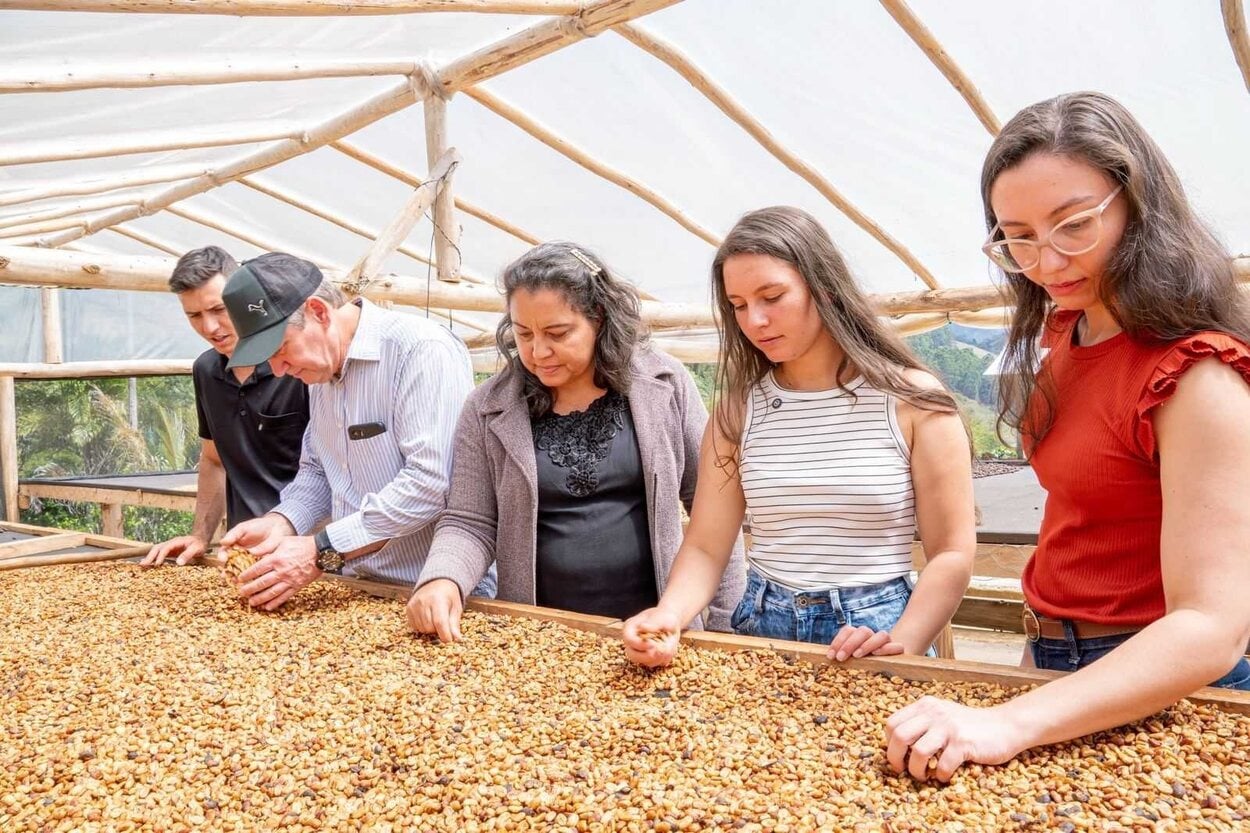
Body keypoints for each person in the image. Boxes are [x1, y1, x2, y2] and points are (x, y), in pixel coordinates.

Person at [883, 91, 1250, 783]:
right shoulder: (1065, 332)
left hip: (1165, 690)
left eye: (1073, 224)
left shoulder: (1198, 375)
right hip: (1060, 663)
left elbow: (1212, 625)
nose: (1046, 261)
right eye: (1016, 236)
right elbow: (1075, 531)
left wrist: (1011, 720)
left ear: (1139, 207)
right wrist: (1037, 661)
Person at [622, 206, 975, 666]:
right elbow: (708, 544)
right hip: (764, 624)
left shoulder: (912, 399)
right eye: (739, 305)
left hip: (880, 626)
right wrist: (669, 614)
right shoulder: (737, 409)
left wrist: (901, 645)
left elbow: (951, 552)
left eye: (772, 297)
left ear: (824, 287)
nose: (755, 321)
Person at [406, 243, 746, 642]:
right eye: (523, 333)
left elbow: (713, 512)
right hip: (539, 635)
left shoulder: (666, 385)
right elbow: (470, 519)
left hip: (658, 632)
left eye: (557, 333)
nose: (537, 351)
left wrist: (725, 623)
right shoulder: (488, 408)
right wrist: (443, 577)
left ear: (598, 318)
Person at [215, 252, 491, 610]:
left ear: (319, 312)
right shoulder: (320, 373)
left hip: (435, 593)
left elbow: (430, 484)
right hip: (357, 589)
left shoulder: (420, 350)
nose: (278, 370)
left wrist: (320, 550)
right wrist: (282, 522)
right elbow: (318, 470)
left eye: (280, 348)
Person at [141, 246, 308, 568]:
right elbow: (214, 459)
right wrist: (200, 536)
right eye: (194, 316)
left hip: (303, 554)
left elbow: (335, 472)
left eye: (218, 309)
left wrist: (312, 547)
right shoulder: (206, 371)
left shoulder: (298, 368)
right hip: (241, 557)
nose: (210, 328)